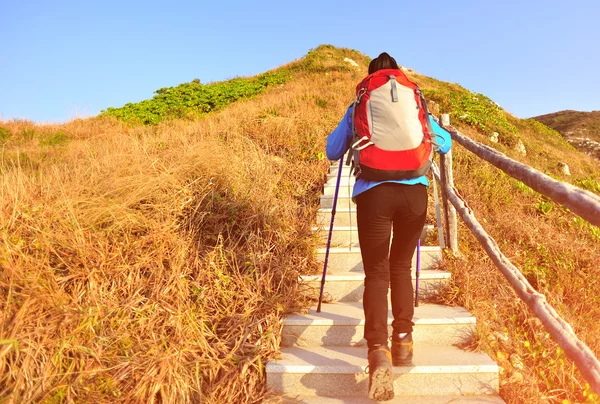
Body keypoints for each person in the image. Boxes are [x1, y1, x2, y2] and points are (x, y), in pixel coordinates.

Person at [325, 52, 452, 401]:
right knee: (400, 267)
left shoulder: (359, 105)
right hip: (414, 196)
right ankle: (404, 342)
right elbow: (444, 143)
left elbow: (332, 151)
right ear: (398, 74)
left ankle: (377, 351)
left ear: (369, 79)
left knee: (377, 274)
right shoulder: (416, 102)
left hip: (373, 194)